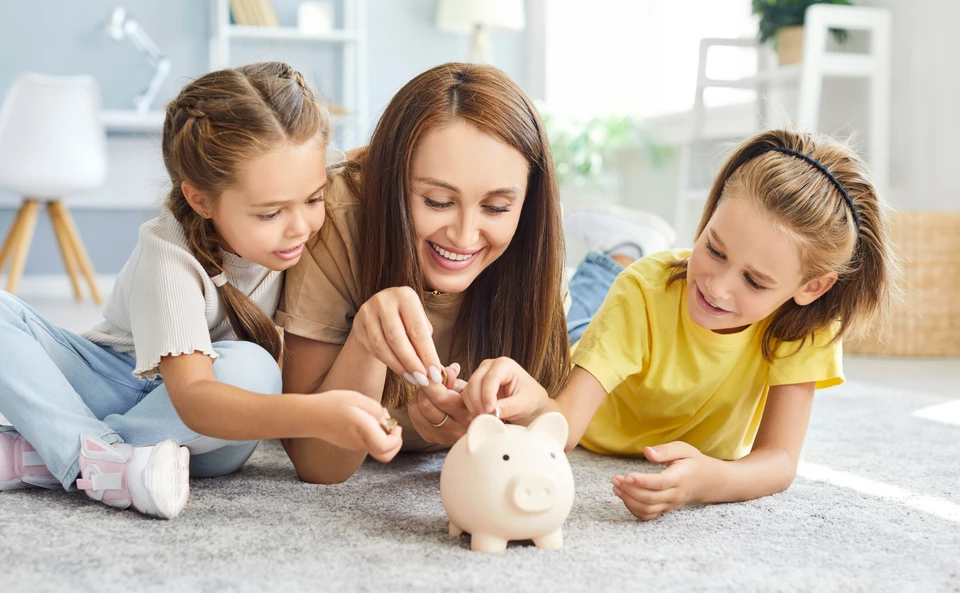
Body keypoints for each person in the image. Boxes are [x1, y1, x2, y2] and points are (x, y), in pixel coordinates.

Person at [0, 62, 401, 519]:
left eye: (313, 199)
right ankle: (94, 460)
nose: (300, 227)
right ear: (200, 199)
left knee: (253, 370)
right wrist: (317, 414)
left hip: (211, 435)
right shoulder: (169, 256)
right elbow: (192, 396)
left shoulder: (291, 168)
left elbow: (386, 157)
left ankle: (63, 448)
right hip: (120, 382)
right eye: (270, 214)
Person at [461, 129, 898, 521]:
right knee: (578, 315)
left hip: (640, 324)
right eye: (715, 249)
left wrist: (708, 481)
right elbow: (566, 424)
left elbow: (780, 459)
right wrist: (531, 404)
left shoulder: (807, 326)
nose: (717, 287)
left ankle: (626, 248)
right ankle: (617, 254)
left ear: (812, 287)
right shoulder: (644, 291)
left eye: (754, 281)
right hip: (597, 347)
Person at [278, 62, 572, 484]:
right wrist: (367, 340)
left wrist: (531, 411)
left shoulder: (536, 238)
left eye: (496, 208)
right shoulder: (334, 217)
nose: (464, 236)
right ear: (391, 184)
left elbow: (556, 427)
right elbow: (316, 462)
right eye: (437, 201)